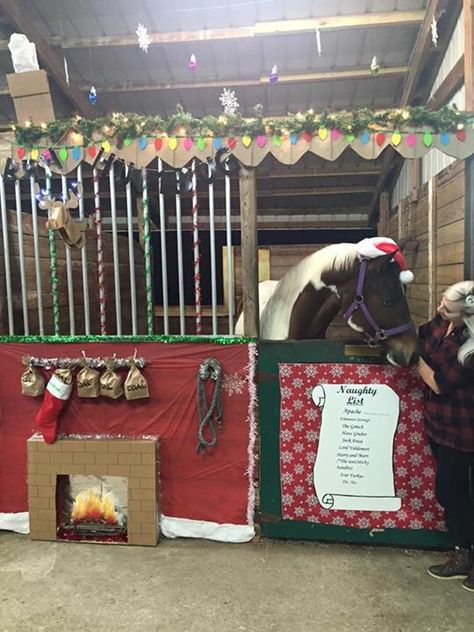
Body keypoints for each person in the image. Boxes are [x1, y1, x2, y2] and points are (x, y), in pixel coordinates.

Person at [417, 280, 474, 592]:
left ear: (466, 315)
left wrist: (419, 362)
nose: (440, 309)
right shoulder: (443, 323)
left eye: (448, 308)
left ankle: (468, 552)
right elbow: (422, 336)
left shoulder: (471, 348)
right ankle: (462, 554)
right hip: (438, 424)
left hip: (463, 429)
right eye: (442, 302)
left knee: (451, 493)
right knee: (453, 494)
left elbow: (439, 383)